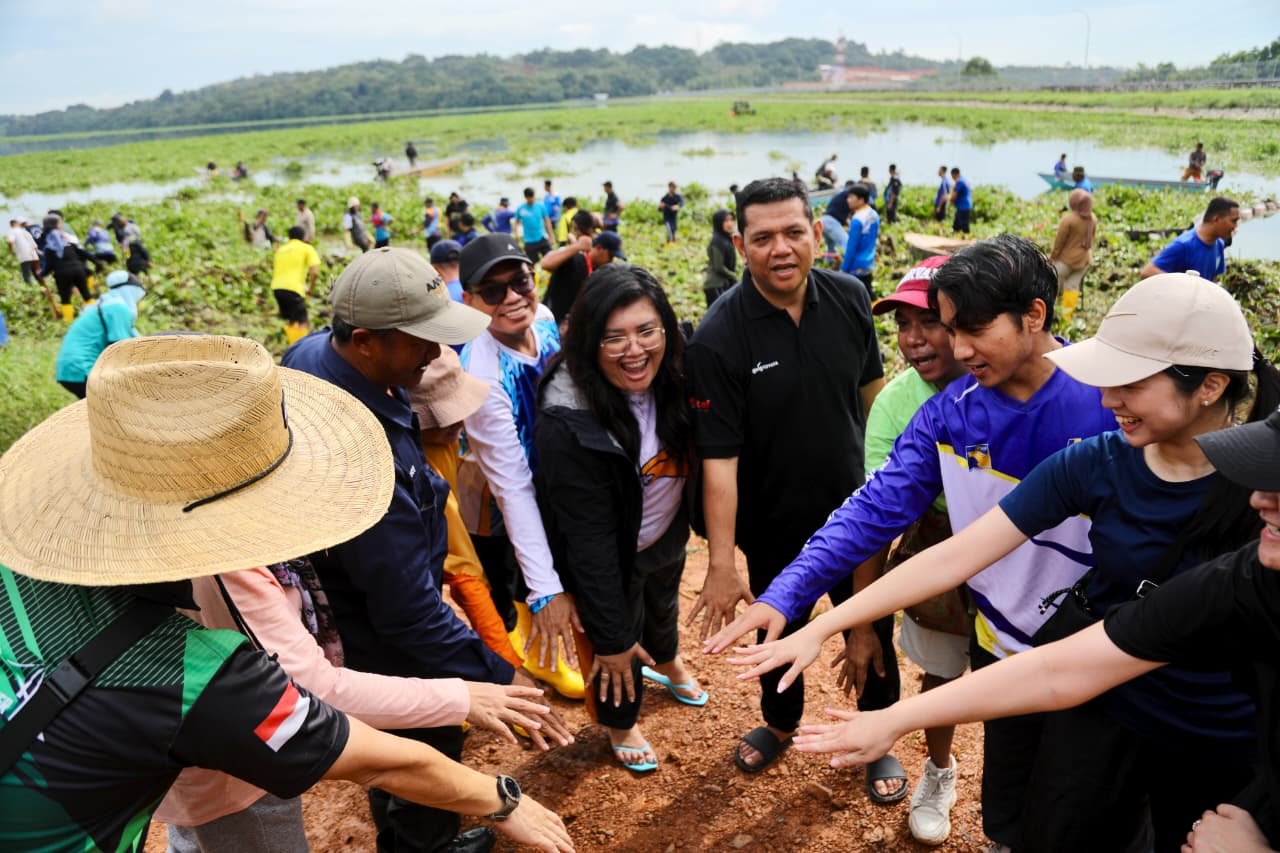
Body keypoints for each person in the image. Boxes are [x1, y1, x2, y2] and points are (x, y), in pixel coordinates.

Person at [731, 273, 1278, 852]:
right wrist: (821, 621)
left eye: (1130, 382)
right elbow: (955, 556)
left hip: (1215, 733)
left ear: (1211, 386)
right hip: (1102, 702)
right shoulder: (1096, 461)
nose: (1110, 398)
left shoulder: (1258, 512)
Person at [0, 334, 575, 853]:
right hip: (218, 790)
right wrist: (498, 788)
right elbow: (351, 737)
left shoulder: (24, 565)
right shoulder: (201, 672)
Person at [706, 235, 1119, 851]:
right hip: (1001, 641)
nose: (957, 348)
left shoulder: (1111, 401)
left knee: (1091, 810)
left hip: (1103, 651)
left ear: (1034, 315)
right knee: (1010, 811)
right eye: (950, 328)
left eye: (971, 328)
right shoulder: (951, 414)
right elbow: (874, 510)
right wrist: (787, 594)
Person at [793, 407, 1280, 851]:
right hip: (1115, 708)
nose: (1259, 498)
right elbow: (1059, 669)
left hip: (1214, 740)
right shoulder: (1246, 579)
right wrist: (893, 716)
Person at [281, 248, 573, 851]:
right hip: (383, 634)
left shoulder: (313, 356)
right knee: (426, 739)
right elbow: (408, 614)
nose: (438, 355)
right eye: (422, 342)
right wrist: (497, 680)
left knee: (390, 747)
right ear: (364, 340)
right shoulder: (368, 467)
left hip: (347, 600)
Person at [684, 177, 885, 776]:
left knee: (871, 624)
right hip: (773, 524)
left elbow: (875, 401)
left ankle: (877, 731)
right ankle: (779, 721)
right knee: (776, 633)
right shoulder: (718, 337)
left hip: (857, 514)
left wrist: (898, 491)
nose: (781, 249)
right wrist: (721, 562)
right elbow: (719, 461)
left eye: (794, 232)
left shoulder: (850, 298)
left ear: (817, 235)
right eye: (763, 237)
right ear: (741, 245)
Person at [159, 553, 545, 852]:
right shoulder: (227, 567)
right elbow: (315, 694)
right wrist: (461, 698)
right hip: (236, 775)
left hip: (185, 756)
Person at [536, 264, 705, 772]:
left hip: (663, 531)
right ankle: (620, 720)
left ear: (666, 330)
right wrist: (609, 641)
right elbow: (586, 541)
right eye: (614, 338)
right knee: (617, 641)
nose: (634, 351)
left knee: (663, 600)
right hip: (609, 552)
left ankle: (668, 656)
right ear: (590, 344)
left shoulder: (678, 376)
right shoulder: (567, 421)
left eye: (646, 331)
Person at [843, 256, 971, 842]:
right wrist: (861, 625)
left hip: (1023, 545)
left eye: (928, 322)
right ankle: (939, 769)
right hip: (939, 544)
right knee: (942, 667)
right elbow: (874, 518)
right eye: (901, 325)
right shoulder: (895, 403)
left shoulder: (1010, 382)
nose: (913, 340)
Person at [456, 234, 585, 701]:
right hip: (488, 487)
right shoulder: (482, 374)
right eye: (493, 292)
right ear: (469, 301)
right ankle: (531, 656)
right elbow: (510, 486)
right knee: (503, 571)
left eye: (520, 282)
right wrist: (546, 588)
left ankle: (537, 649)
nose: (512, 298)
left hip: (546, 472)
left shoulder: (546, 320)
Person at [409, 348, 524, 667]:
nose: (457, 423)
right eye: (441, 419)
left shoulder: (443, 443)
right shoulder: (419, 464)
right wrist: (508, 665)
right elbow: (462, 571)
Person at [53, 270, 145, 397]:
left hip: (68, 367)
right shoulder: (117, 308)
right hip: (83, 367)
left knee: (101, 410)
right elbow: (123, 347)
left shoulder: (105, 303)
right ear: (130, 293)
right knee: (117, 406)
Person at [1140, 196, 1239, 282]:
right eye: (1233, 221)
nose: (1235, 227)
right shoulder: (1184, 245)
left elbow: (1212, 280)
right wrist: (1184, 285)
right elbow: (1147, 272)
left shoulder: (1219, 244)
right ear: (1216, 219)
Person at [541, 209, 600, 325]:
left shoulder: (572, 253)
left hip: (563, 316)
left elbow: (545, 264)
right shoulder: (581, 253)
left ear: (575, 229)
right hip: (570, 316)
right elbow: (546, 264)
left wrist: (576, 245)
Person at [1049, 188, 1096, 324]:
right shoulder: (1093, 218)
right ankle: (1066, 317)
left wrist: (1051, 258)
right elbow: (1091, 238)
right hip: (1084, 260)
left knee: (1051, 284)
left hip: (1066, 261)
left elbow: (1059, 244)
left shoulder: (1068, 220)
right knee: (1072, 287)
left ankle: (1048, 314)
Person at [271, 225, 322, 345]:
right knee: (302, 320)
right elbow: (314, 272)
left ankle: (290, 343)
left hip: (277, 288)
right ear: (304, 237)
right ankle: (300, 347)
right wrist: (310, 289)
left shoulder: (280, 249)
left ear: (289, 237)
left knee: (291, 319)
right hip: (294, 288)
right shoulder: (306, 248)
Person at [40, 215, 94, 323]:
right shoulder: (67, 241)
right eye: (60, 223)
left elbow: (49, 266)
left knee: (65, 299)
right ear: (56, 224)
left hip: (62, 274)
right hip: (79, 269)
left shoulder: (49, 245)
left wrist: (42, 274)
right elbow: (83, 253)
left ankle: (68, 322)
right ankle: (94, 316)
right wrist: (96, 261)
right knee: (86, 295)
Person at [840, 183, 879, 294]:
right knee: (867, 295)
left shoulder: (857, 219)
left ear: (861, 200)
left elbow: (852, 246)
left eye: (851, 197)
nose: (848, 200)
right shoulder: (874, 215)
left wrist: (844, 269)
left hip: (856, 266)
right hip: (869, 263)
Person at [703, 208, 737, 308]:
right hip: (715, 285)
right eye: (726, 221)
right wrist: (734, 276)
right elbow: (719, 267)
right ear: (718, 223)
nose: (730, 223)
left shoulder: (726, 239)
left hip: (724, 284)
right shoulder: (717, 241)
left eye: (731, 220)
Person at [819, 181, 854, 255]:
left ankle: (828, 263)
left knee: (831, 248)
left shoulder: (840, 196)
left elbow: (845, 219)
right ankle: (849, 265)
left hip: (824, 221)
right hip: (830, 222)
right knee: (846, 243)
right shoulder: (847, 193)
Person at [8, 217, 42, 286]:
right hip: (34, 256)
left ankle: (31, 292)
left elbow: (10, 241)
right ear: (17, 224)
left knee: (27, 276)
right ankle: (46, 291)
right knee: (38, 274)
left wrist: (11, 251)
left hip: (24, 256)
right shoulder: (25, 231)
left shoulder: (13, 231)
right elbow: (34, 245)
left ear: (11, 225)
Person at [949, 167, 972, 234]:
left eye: (952, 176)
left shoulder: (959, 182)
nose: (952, 178)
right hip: (964, 206)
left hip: (963, 207)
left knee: (964, 227)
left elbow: (954, 196)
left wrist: (950, 201)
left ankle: (968, 241)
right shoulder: (964, 180)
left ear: (954, 174)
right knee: (956, 226)